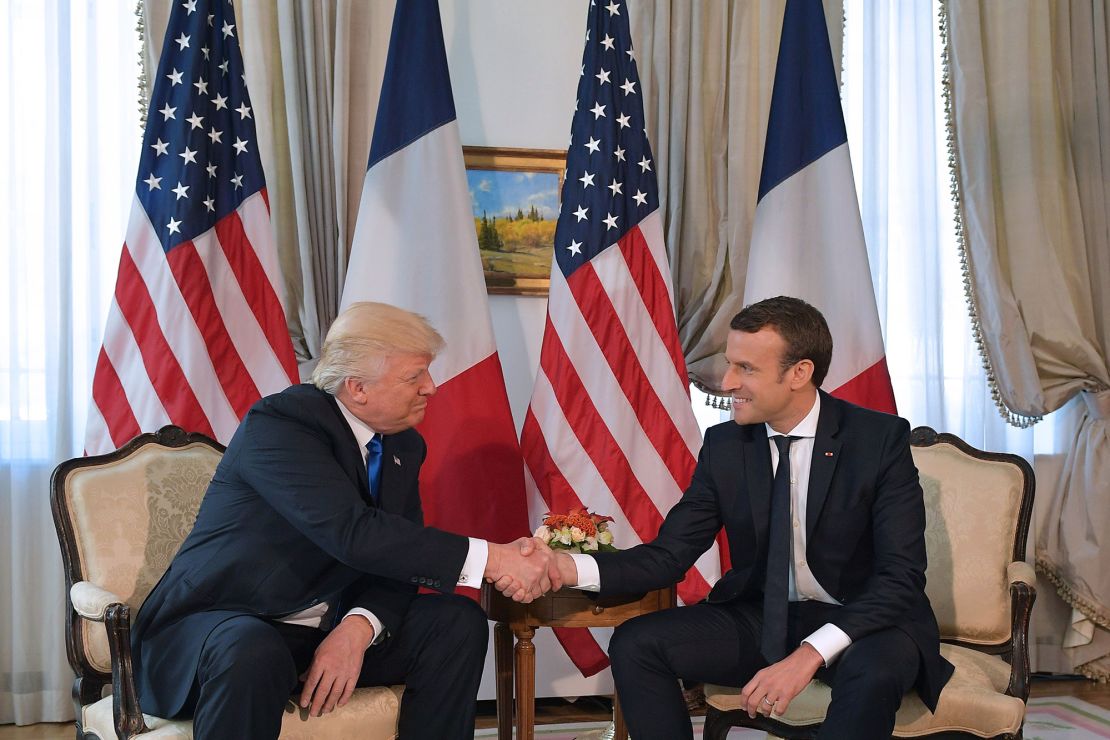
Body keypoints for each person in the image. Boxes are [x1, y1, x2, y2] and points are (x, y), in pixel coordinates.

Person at [131, 301, 558, 740]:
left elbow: (399, 557)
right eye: (415, 377)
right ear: (357, 388)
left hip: (319, 628)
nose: (431, 388)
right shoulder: (281, 424)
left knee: (454, 622)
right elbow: (352, 533)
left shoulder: (402, 446)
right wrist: (492, 559)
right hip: (222, 622)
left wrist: (358, 627)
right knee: (251, 649)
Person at [554, 296, 953, 740]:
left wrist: (808, 654)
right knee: (636, 643)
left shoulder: (878, 439)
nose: (726, 382)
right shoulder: (726, 445)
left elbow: (900, 579)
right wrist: (565, 567)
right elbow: (668, 556)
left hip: (865, 620)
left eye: (746, 368)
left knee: (873, 674)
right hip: (765, 615)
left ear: (799, 373)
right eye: (730, 364)